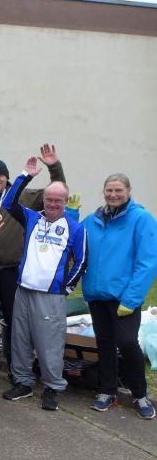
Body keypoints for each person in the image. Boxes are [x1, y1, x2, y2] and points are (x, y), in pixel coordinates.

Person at [0, 144, 67, 381]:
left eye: (0, 175)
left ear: (7, 178)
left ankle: (14, 366)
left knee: (14, 321)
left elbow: (57, 190)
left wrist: (54, 166)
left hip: (14, 269)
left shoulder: (24, 196)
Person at [1, 158, 86, 411]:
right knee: (20, 340)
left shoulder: (75, 228)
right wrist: (25, 176)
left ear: (65, 201)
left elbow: (82, 262)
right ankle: (23, 382)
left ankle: (52, 387)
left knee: (49, 344)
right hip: (24, 290)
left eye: (58, 200)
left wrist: (65, 288)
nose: (52, 204)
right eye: (49, 199)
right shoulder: (32, 218)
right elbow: (8, 203)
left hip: (50, 296)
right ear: (44, 200)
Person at [82, 174, 157, 418]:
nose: (113, 195)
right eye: (109, 190)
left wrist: (131, 299)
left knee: (127, 342)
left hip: (124, 297)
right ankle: (107, 391)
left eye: (118, 190)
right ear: (103, 192)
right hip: (97, 295)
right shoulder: (93, 220)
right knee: (104, 344)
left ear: (128, 191)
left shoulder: (141, 219)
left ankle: (140, 395)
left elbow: (148, 262)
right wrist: (71, 213)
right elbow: (74, 241)